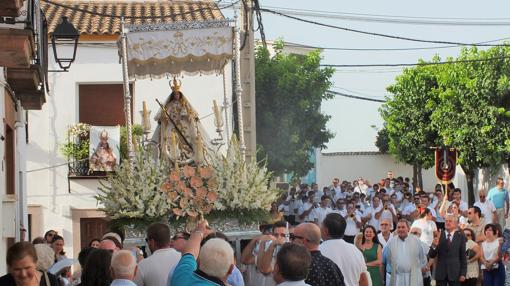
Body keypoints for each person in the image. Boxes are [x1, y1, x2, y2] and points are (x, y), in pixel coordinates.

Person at [170, 220, 235, 286]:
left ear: (198, 259)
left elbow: (190, 251)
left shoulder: (182, 276)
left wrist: (200, 231)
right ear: (231, 269)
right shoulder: (182, 274)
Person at [319, 213, 368, 286]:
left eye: (321, 226)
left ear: (326, 230)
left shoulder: (318, 250)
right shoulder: (355, 251)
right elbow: (363, 280)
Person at [385, 220, 427, 286]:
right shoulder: (391, 242)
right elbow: (389, 259)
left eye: (403, 227)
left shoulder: (416, 241)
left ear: (408, 228)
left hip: (414, 276)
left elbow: (422, 258)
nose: (400, 229)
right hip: (398, 277)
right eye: (398, 227)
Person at [429, 215, 467, 286]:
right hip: (441, 273)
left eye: (450, 221)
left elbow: (463, 256)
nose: (447, 223)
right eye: (446, 221)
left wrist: (463, 273)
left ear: (456, 224)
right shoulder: (439, 235)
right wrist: (434, 245)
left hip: (455, 273)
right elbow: (431, 255)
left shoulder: (460, 236)